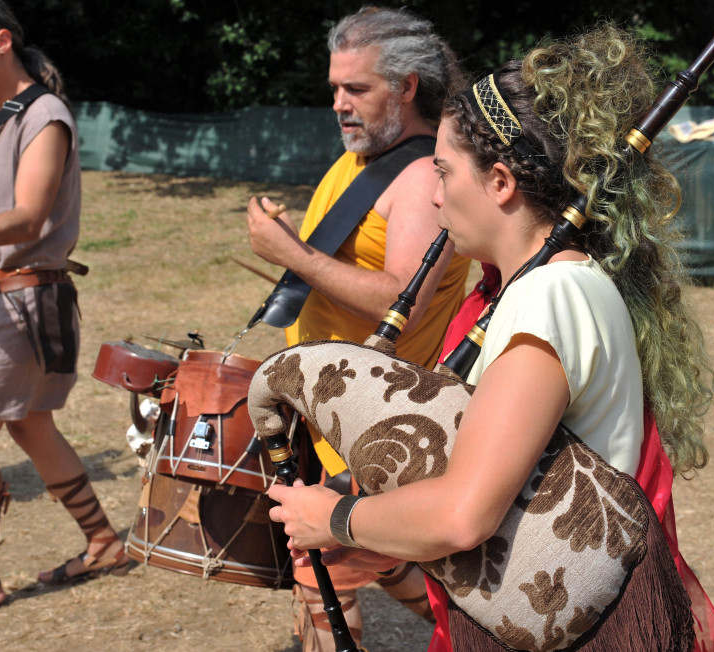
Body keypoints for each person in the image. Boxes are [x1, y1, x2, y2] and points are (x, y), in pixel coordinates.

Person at [267, 24, 714, 650]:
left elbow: (462, 515)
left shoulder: (549, 298)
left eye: (444, 170)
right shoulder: (544, 288)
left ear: (501, 182)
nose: (433, 192)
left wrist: (336, 519)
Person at [244, 6, 471, 650]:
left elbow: (406, 298)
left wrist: (292, 253)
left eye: (357, 89)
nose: (340, 104)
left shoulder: (425, 175)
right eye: (336, 89)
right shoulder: (362, 156)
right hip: (328, 414)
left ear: (406, 87)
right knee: (377, 556)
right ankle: (477, 632)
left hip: (375, 425)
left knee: (322, 567)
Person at [0, 0, 126, 629]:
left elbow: (31, 217)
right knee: (31, 425)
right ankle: (105, 544)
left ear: (2, 40)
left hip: (27, 297)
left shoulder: (45, 115)